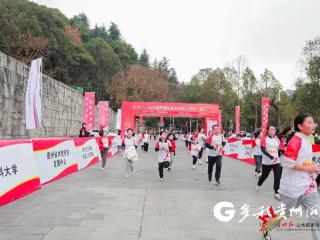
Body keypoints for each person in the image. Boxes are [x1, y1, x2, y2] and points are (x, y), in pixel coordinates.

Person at [263, 113, 320, 240]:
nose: (313, 125)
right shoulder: (296, 140)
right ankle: (267, 226)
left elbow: (304, 161)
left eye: (313, 122)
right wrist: (308, 168)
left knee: (317, 216)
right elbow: (287, 162)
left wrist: (312, 168)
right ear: (300, 126)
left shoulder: (307, 139)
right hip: (292, 187)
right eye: (309, 122)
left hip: (308, 186)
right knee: (284, 214)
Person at [255, 126, 282, 201]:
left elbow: (279, 150)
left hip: (276, 161)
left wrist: (278, 156)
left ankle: (276, 192)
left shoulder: (277, 140)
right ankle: (258, 184)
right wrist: (271, 157)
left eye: (274, 129)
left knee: (277, 176)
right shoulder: (264, 139)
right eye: (271, 129)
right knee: (264, 176)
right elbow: (263, 150)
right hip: (267, 162)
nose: (273, 131)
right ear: (268, 131)